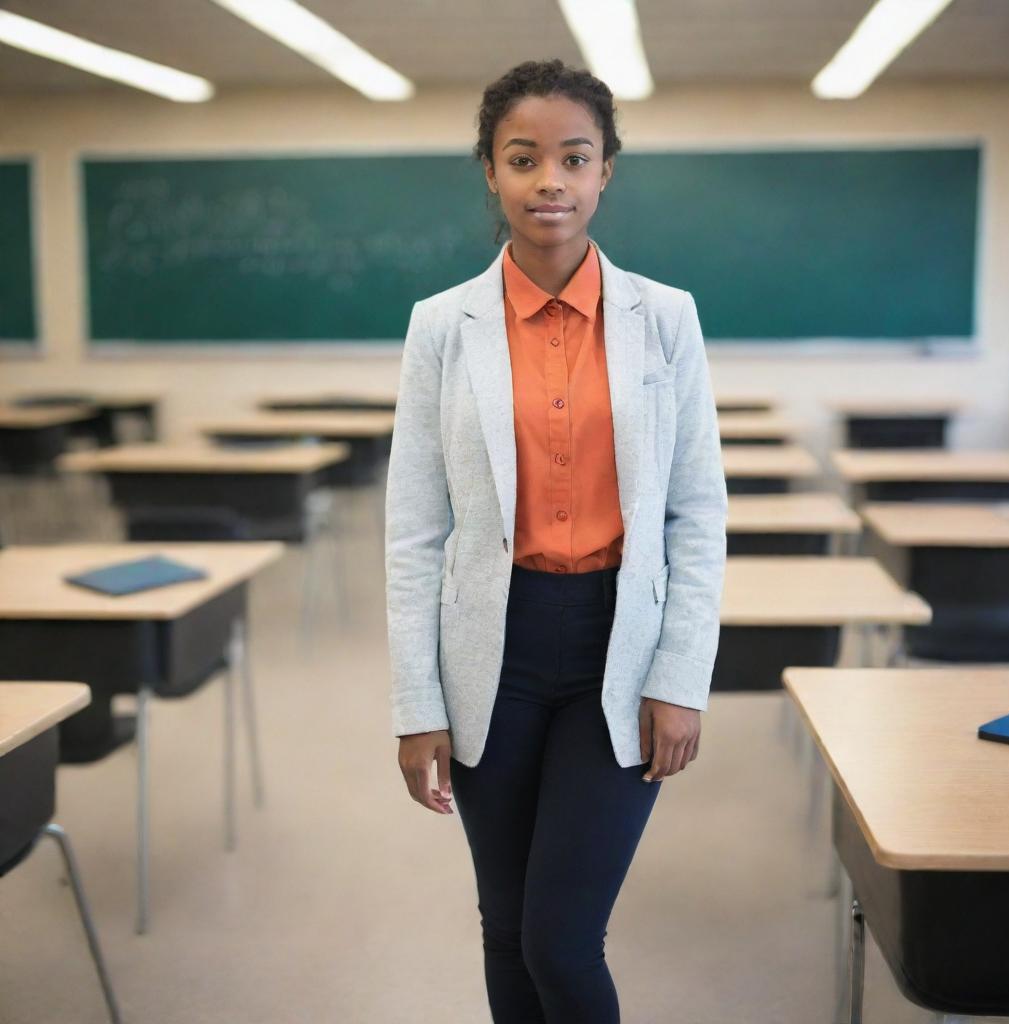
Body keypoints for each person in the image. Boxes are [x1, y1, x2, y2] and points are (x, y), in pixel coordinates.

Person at [384, 58, 727, 1024]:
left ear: (605, 171)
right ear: (490, 171)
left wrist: (680, 678)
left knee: (560, 940)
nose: (550, 182)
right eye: (523, 158)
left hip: (620, 645)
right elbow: (414, 530)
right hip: (491, 650)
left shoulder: (666, 320)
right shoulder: (439, 329)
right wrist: (417, 704)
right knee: (505, 924)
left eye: (574, 158)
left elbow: (696, 512)